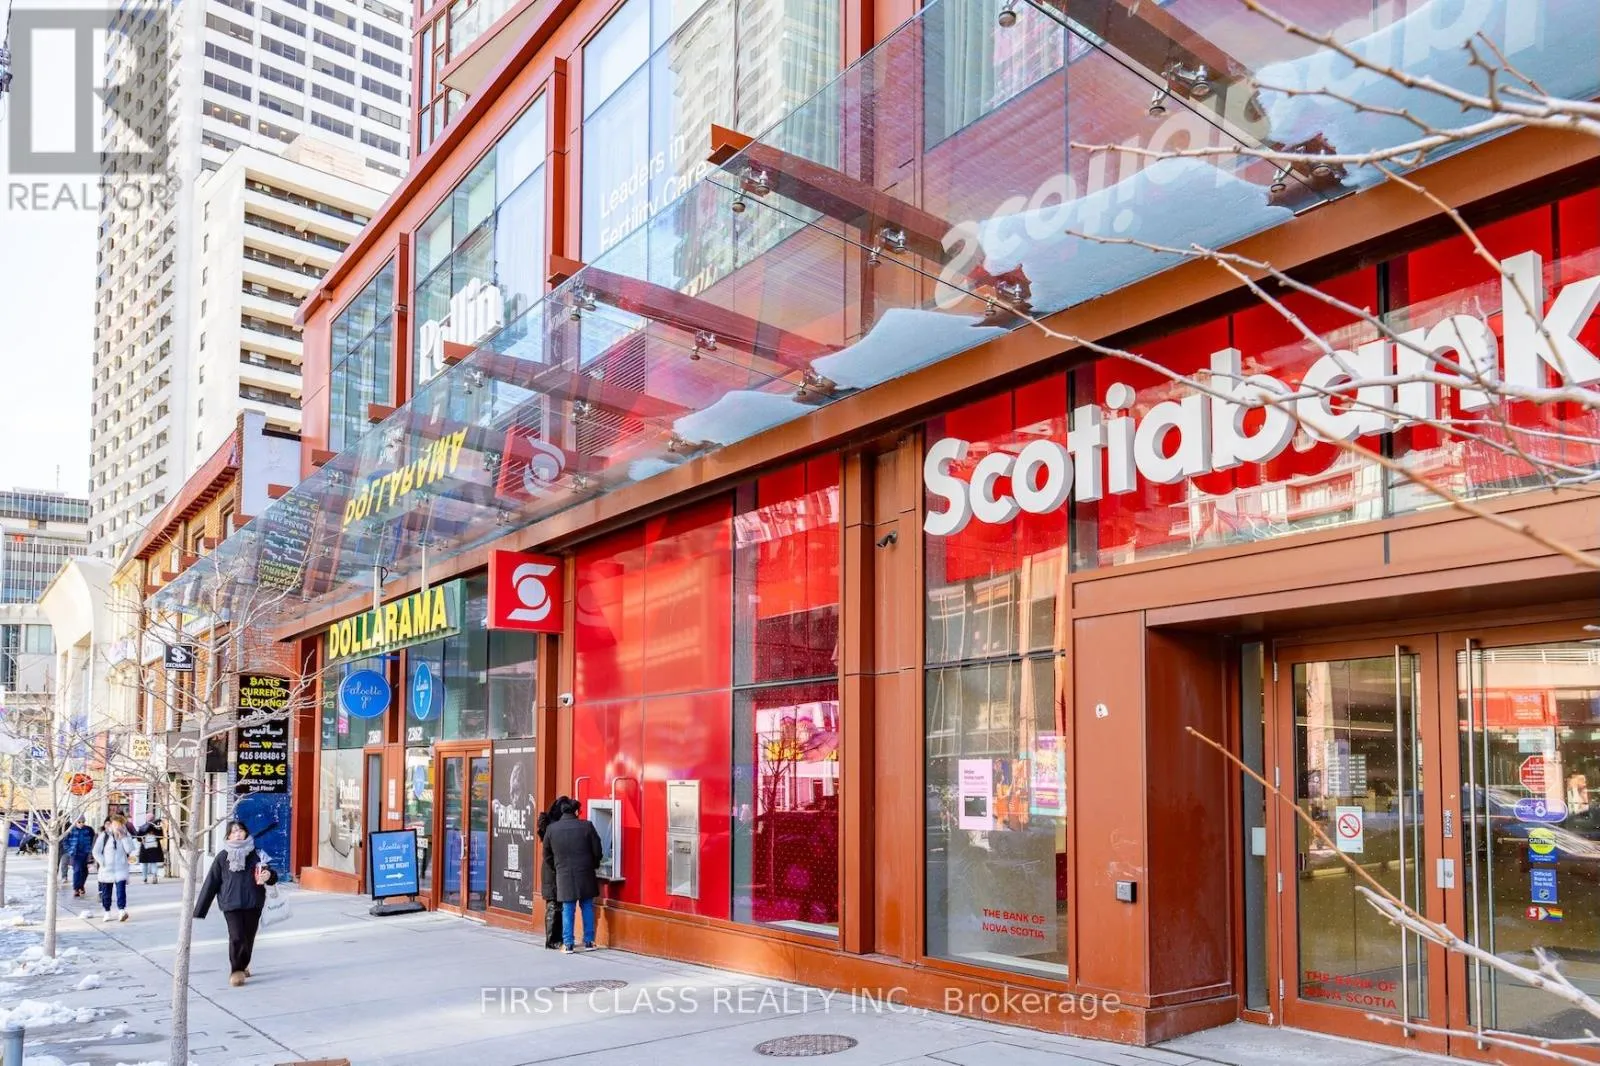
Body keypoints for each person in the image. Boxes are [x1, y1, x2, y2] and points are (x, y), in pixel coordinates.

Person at [193, 821, 277, 987]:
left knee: (248, 937)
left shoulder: (257, 854)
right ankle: (236, 970)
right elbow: (211, 882)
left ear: (246, 833)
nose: (238, 834)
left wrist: (269, 875)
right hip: (230, 903)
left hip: (253, 902)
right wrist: (200, 909)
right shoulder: (222, 857)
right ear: (228, 836)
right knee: (237, 936)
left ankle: (244, 964)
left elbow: (271, 875)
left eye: (240, 831)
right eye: (234, 832)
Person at [542, 796, 602, 954]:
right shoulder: (587, 826)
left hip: (564, 874)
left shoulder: (552, 829)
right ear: (576, 811)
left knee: (568, 908)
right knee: (587, 906)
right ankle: (589, 941)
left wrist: (557, 867)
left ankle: (568, 944)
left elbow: (547, 855)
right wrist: (593, 864)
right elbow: (597, 850)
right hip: (585, 872)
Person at [91, 816, 138, 922]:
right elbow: (96, 851)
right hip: (107, 869)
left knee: (121, 891)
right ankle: (107, 912)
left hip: (121, 868)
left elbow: (129, 849)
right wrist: (102, 862)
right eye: (115, 824)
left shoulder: (126, 835)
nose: (117, 826)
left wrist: (124, 837)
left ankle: (121, 911)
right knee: (106, 892)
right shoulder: (104, 836)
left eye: (120, 824)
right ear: (111, 824)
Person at [535, 798, 566, 950]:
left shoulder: (549, 825)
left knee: (554, 904)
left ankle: (553, 938)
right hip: (552, 870)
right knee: (554, 904)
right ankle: (552, 940)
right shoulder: (554, 828)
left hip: (549, 870)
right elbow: (550, 854)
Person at [63, 817, 96, 898]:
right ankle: (76, 888)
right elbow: (65, 841)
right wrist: (70, 851)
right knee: (77, 870)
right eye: (79, 822)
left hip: (86, 853)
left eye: (83, 822)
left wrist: (92, 851)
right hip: (75, 853)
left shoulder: (89, 830)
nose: (81, 823)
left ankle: (81, 886)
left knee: (85, 871)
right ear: (75, 822)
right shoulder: (70, 830)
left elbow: (93, 840)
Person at [132, 816, 165, 884]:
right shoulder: (157, 827)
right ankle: (154, 876)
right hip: (155, 847)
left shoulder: (143, 827)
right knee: (153, 862)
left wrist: (143, 839)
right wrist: (154, 837)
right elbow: (161, 836)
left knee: (144, 864)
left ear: (146, 819)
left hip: (145, 847)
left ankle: (144, 879)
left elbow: (138, 838)